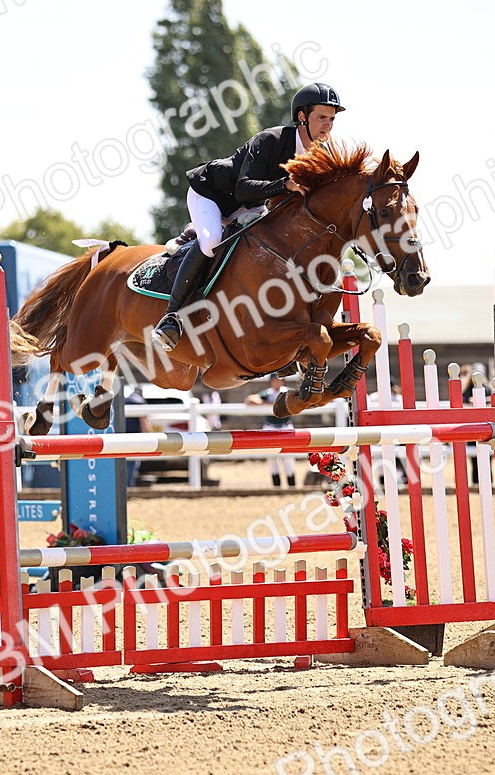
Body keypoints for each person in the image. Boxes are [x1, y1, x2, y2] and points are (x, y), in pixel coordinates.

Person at [152, 82, 345, 352]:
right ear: (302, 117)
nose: (327, 125)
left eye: (332, 119)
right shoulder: (271, 140)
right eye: (321, 118)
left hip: (251, 207)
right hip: (212, 195)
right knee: (212, 243)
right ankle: (171, 318)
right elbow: (243, 189)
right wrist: (284, 185)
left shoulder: (322, 154)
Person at [247, 375, 298, 488]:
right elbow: (249, 400)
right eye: (275, 380)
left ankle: (292, 486)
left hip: (285, 427)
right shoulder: (268, 393)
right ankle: (276, 487)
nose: (277, 382)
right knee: (272, 459)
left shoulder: (287, 392)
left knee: (288, 459)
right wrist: (269, 404)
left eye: (279, 380)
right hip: (271, 427)